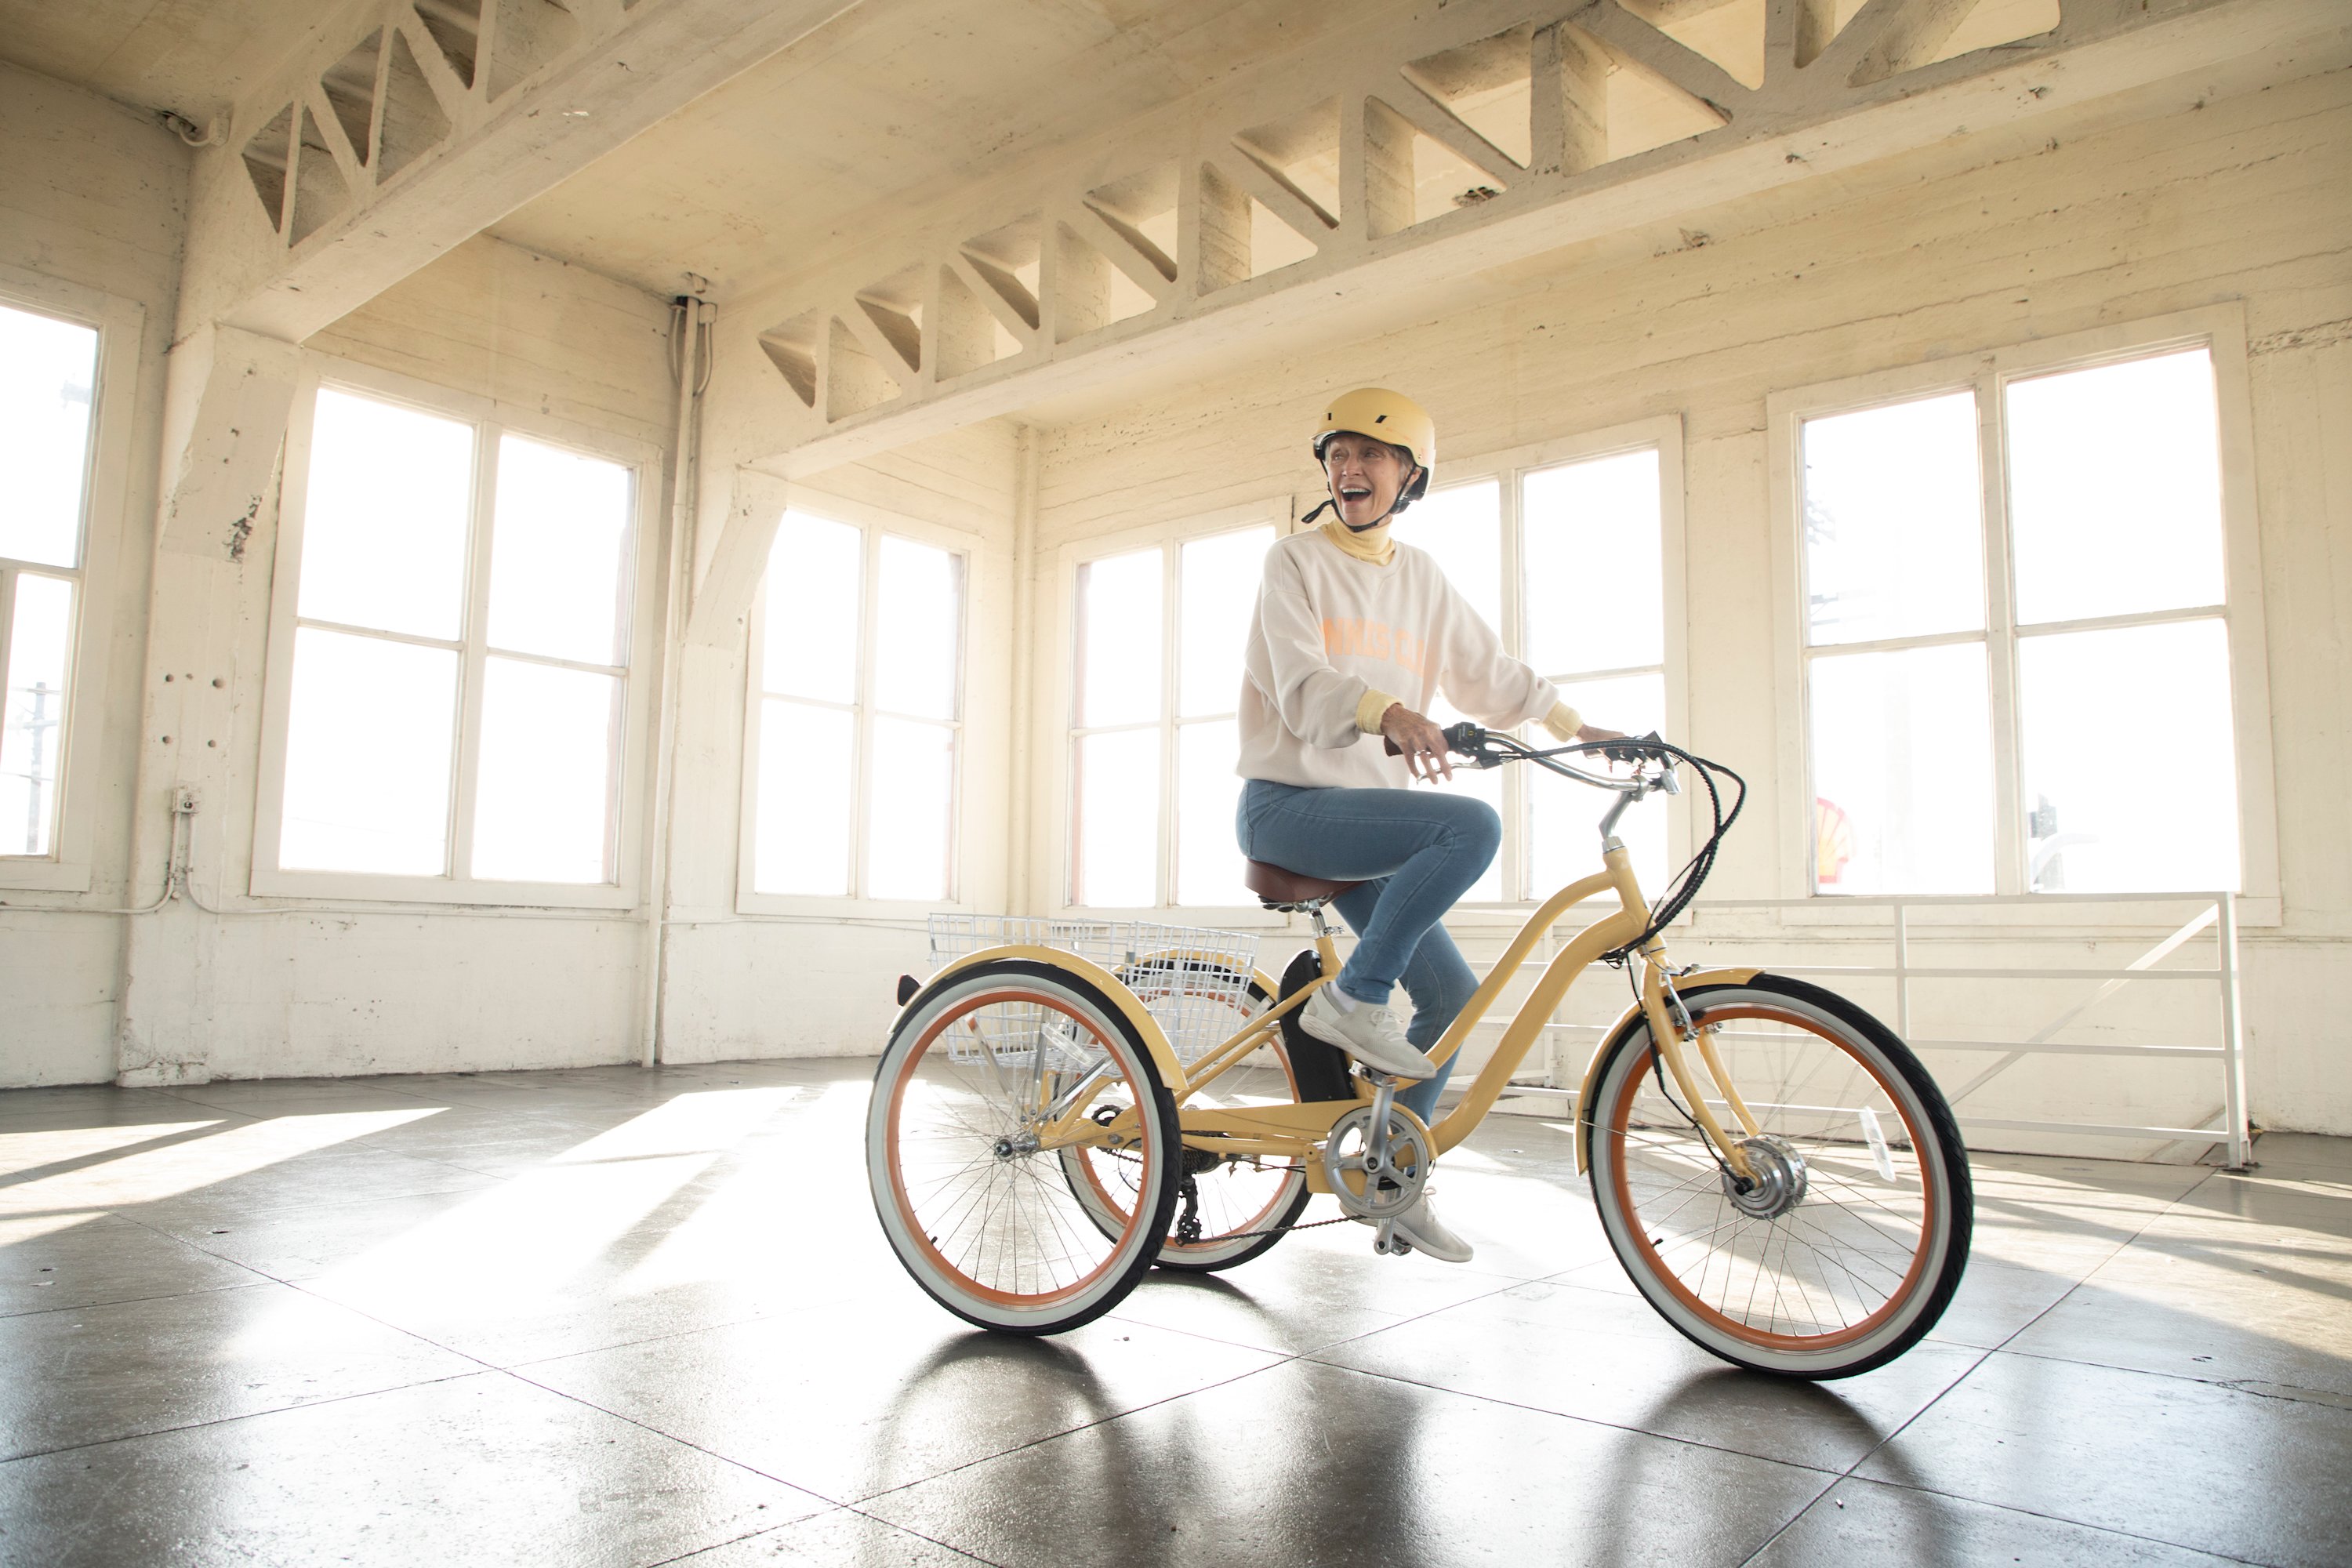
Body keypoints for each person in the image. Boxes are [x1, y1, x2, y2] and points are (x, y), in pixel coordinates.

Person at [1235, 387, 1621, 1263]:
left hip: (1363, 825)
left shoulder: (1421, 578)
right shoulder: (1291, 562)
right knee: (1468, 828)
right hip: (1289, 805)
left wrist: (1576, 725)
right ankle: (1354, 1001)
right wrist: (1390, 709)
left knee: (1452, 997)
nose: (1349, 468)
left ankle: (1390, 1175)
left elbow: (1489, 672)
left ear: (1409, 476)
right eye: (1337, 452)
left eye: (1371, 455)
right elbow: (1299, 684)